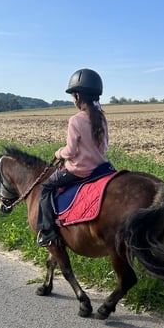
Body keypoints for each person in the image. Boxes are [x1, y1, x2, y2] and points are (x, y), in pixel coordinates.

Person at [36, 68, 110, 247]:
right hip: (101, 168)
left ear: (77, 96)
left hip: (80, 170)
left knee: (45, 188)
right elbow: (105, 146)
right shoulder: (101, 117)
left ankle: (47, 232)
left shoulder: (75, 120)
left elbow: (70, 152)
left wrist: (58, 153)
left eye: (72, 96)